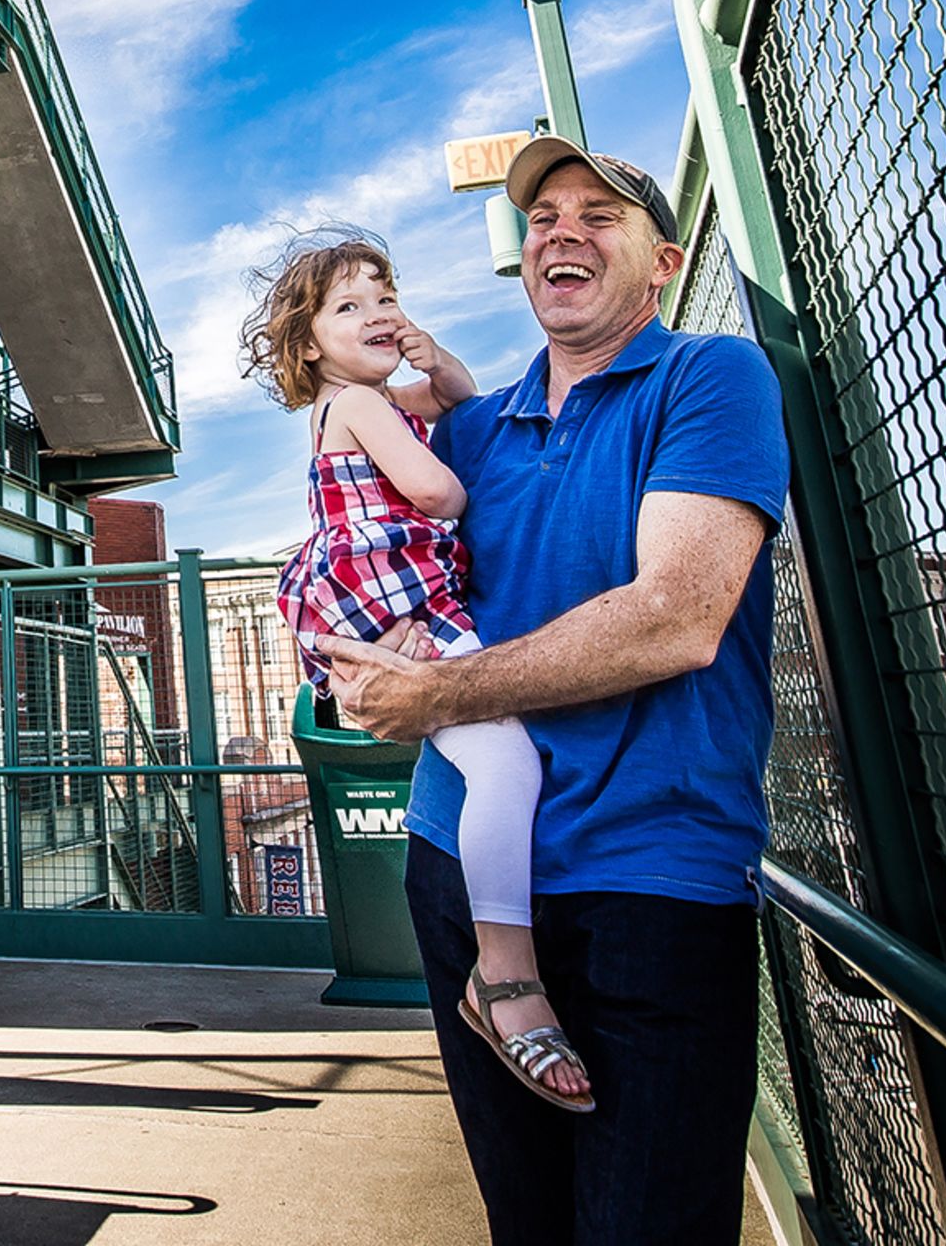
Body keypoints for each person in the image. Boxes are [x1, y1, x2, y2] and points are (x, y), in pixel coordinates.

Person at [320, 139, 789, 1246]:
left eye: (599, 215)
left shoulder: (710, 378)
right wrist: (363, 669)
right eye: (543, 217)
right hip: (459, 876)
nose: (561, 231)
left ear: (665, 262)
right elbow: (364, 562)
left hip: (655, 880)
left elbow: (677, 616)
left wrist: (434, 695)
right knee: (524, 1219)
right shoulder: (469, 430)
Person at [248, 232, 592, 1111]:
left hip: (394, 600)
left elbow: (460, 401)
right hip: (389, 596)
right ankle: (505, 967)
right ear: (309, 341)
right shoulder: (355, 405)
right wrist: (449, 478)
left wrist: (434, 362)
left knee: (500, 763)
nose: (374, 314)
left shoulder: (376, 396)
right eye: (347, 305)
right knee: (508, 764)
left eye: (384, 294)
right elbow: (439, 492)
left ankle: (508, 956)